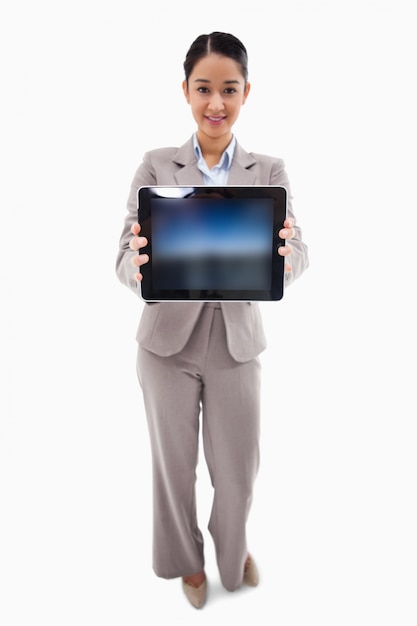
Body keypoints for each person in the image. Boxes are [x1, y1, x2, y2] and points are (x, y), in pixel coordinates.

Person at [116, 31, 309, 609]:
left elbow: (300, 252)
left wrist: (284, 257)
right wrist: (139, 269)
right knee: (173, 470)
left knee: (239, 471)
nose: (215, 103)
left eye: (229, 89)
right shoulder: (156, 164)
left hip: (237, 344)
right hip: (165, 345)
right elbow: (123, 253)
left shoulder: (268, 169)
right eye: (204, 89)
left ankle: (232, 550)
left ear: (247, 92)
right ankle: (187, 565)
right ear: (185, 92)